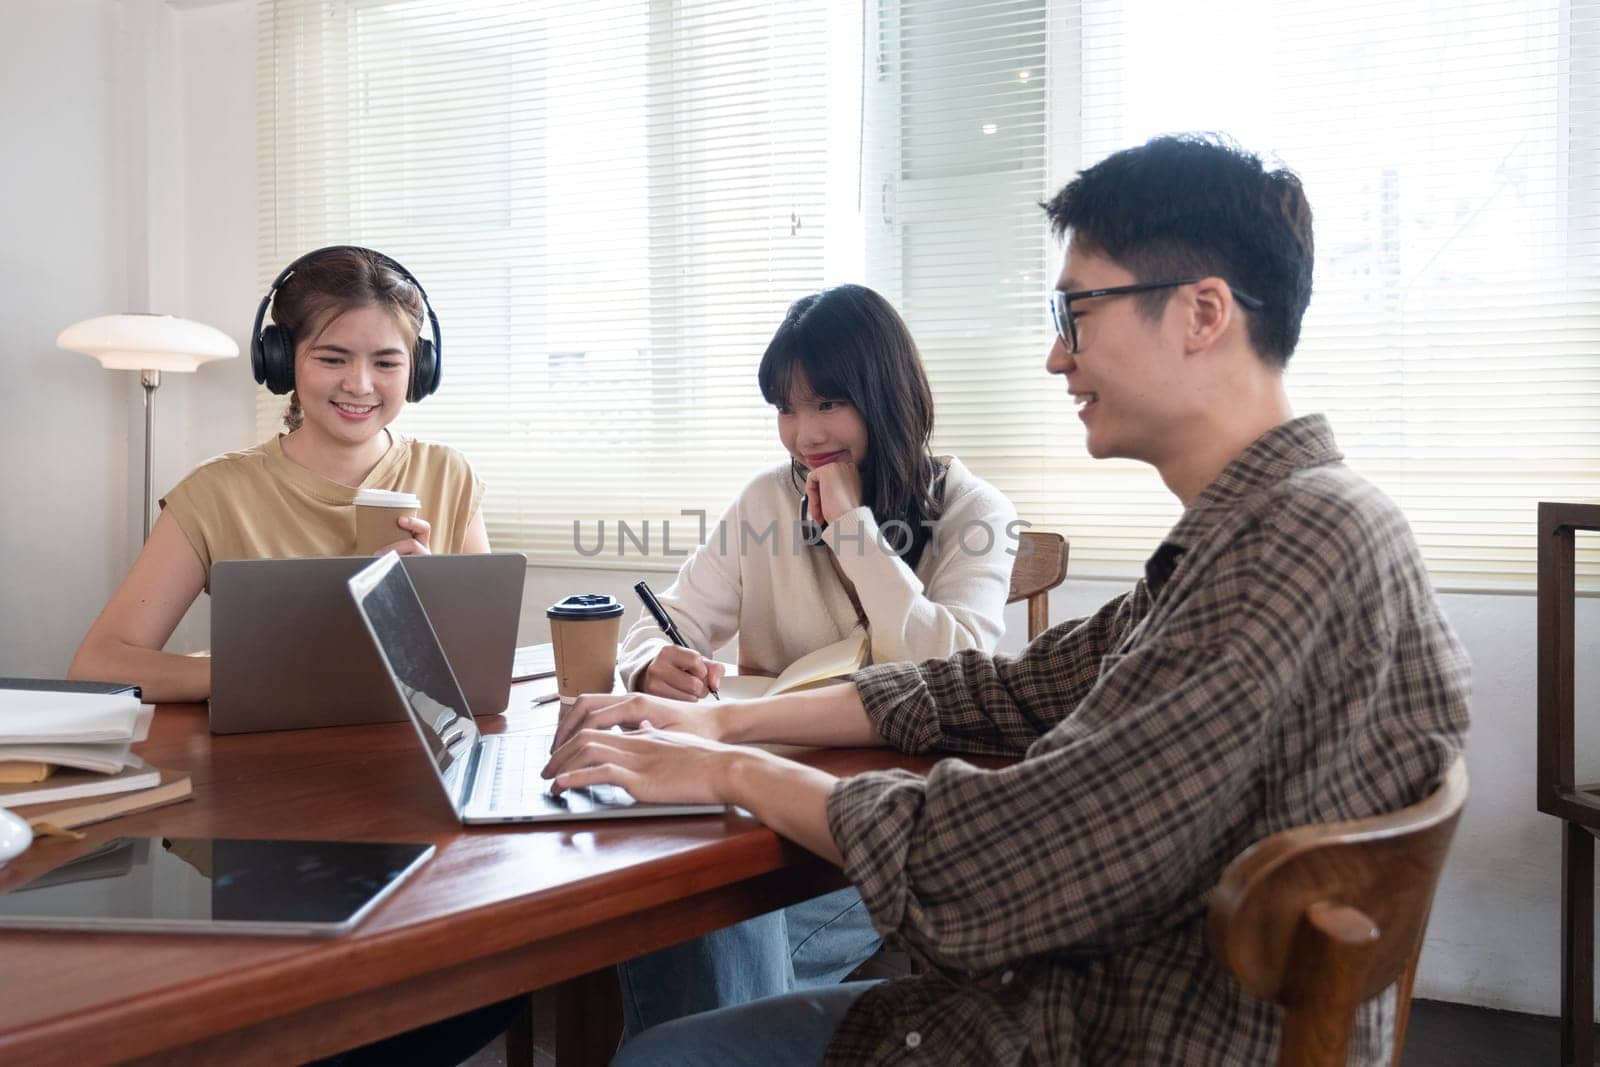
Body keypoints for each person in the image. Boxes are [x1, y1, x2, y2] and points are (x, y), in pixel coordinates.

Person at [545, 134, 1472, 1065]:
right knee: (702, 968)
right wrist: (720, 732)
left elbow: (993, 867)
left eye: (1076, 314)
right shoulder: (1269, 528)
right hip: (1094, 992)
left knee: (666, 1047)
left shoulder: (1285, 547)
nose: (1055, 358)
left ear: (1202, 313)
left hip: (1099, 1029)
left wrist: (728, 772)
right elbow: (998, 686)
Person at [607, 282, 1019, 1036]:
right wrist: (649, 661)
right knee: (701, 889)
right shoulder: (766, 501)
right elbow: (661, 618)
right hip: (763, 798)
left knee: (704, 912)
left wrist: (854, 531)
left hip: (887, 821)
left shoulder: (974, 512)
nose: (802, 434)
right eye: (786, 409)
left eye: (826, 404)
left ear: (886, 397)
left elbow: (947, 671)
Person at [68, 245, 490, 704]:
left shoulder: (450, 476)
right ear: (282, 361)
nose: (360, 384)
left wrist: (430, 604)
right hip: (267, 758)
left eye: (386, 362)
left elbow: (482, 661)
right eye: (332, 359)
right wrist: (267, 669)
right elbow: (98, 666)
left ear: (418, 371)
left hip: (407, 754)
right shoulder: (216, 493)